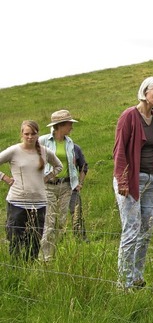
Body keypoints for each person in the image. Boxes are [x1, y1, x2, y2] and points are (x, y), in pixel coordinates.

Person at [113, 76, 153, 290]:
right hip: (130, 181)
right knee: (131, 230)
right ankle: (124, 282)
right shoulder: (129, 115)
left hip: (149, 180)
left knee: (146, 230)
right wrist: (123, 180)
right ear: (145, 91)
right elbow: (119, 150)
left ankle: (137, 277)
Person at [0, 121, 62, 262]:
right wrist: (5, 178)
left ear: (37, 134)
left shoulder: (45, 151)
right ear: (21, 134)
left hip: (39, 202)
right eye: (26, 134)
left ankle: (31, 268)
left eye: (33, 134)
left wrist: (46, 178)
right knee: (16, 239)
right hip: (17, 202)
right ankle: (17, 269)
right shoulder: (14, 150)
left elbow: (59, 166)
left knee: (34, 240)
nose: (30, 137)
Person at [39, 109, 81, 261]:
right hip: (48, 186)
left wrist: (76, 182)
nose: (72, 127)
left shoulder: (70, 142)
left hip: (66, 186)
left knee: (61, 221)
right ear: (61, 125)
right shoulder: (43, 141)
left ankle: (55, 253)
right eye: (70, 124)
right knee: (49, 221)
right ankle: (46, 257)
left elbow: (72, 164)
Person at [68, 143, 89, 242]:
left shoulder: (75, 148)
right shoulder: (46, 146)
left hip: (72, 186)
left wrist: (80, 183)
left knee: (77, 213)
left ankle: (81, 240)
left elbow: (83, 166)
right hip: (52, 187)